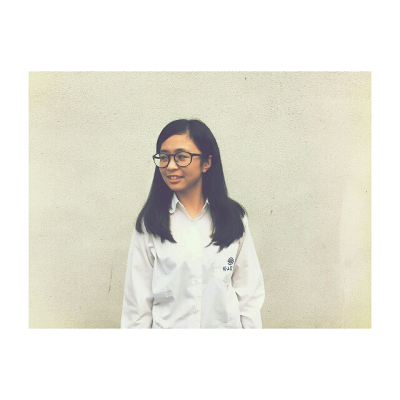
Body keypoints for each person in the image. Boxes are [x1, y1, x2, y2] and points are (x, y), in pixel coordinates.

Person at [121, 119, 265, 328]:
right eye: (164, 157)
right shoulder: (150, 224)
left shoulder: (233, 219)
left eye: (181, 157)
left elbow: (249, 295)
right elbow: (137, 306)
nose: (170, 166)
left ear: (206, 163)